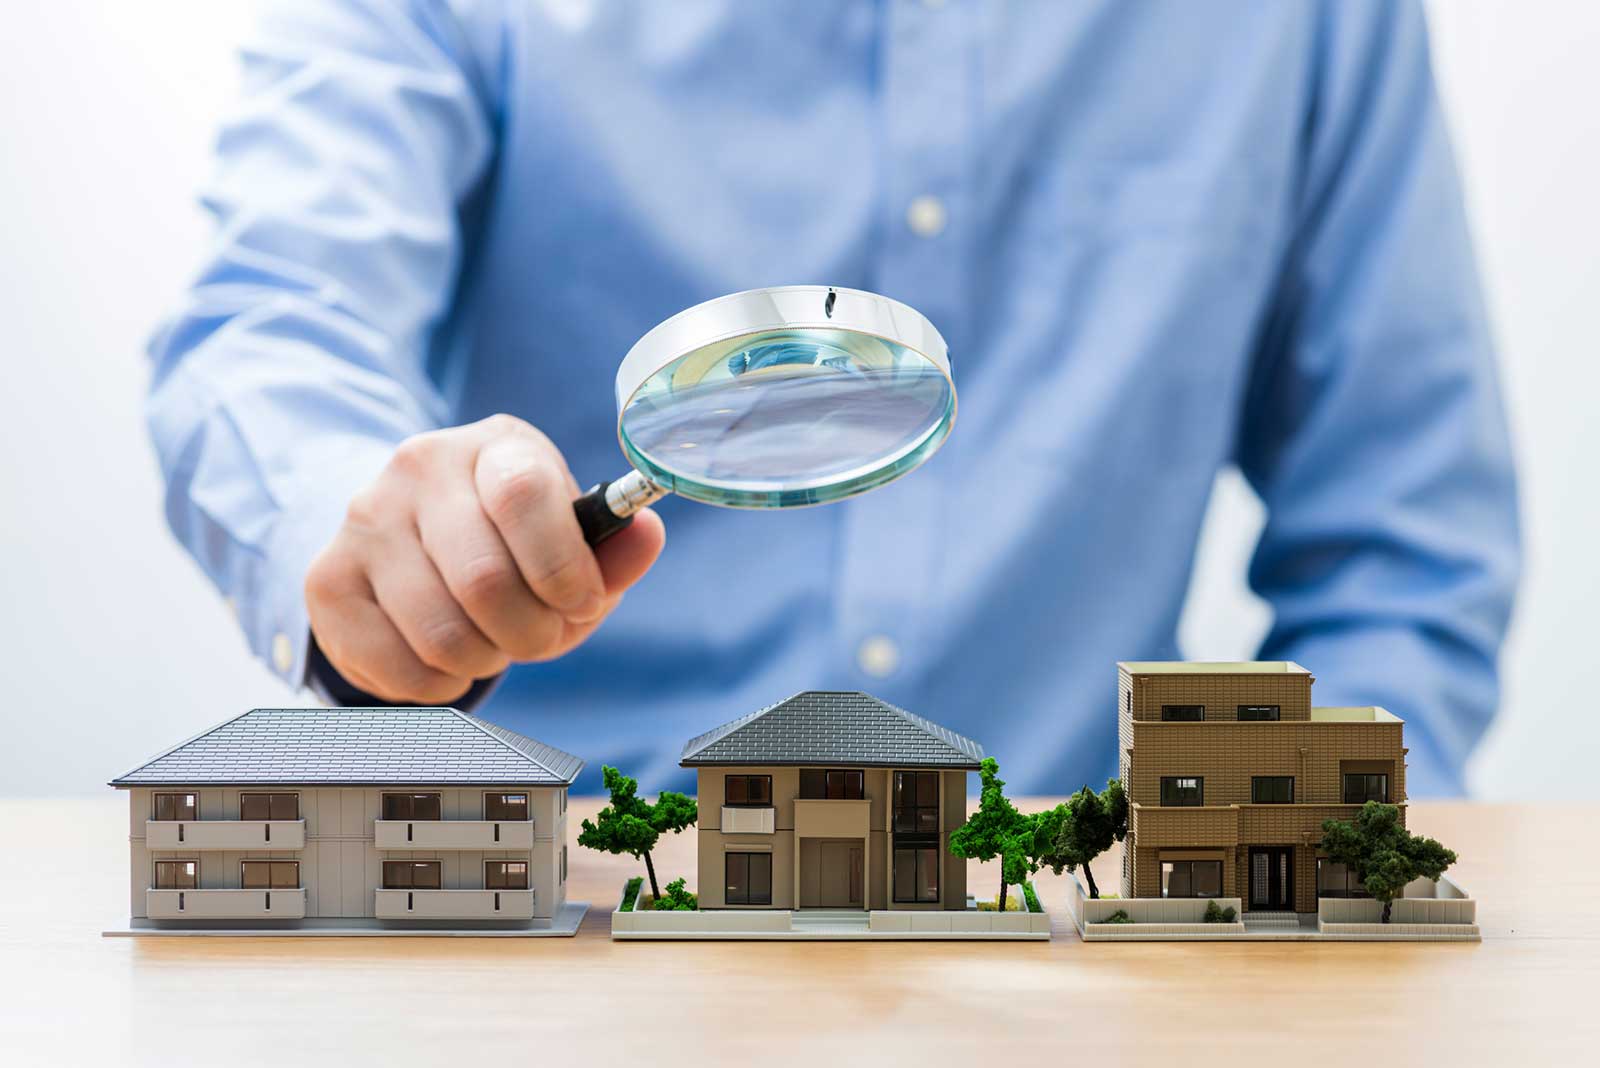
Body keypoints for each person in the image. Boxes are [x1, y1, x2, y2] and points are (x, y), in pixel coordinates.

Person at [146, 0, 1519, 796]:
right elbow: (270, 319)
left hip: (1077, 968)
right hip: (557, 939)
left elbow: (1406, 556)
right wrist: (363, 539)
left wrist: (1284, 895)